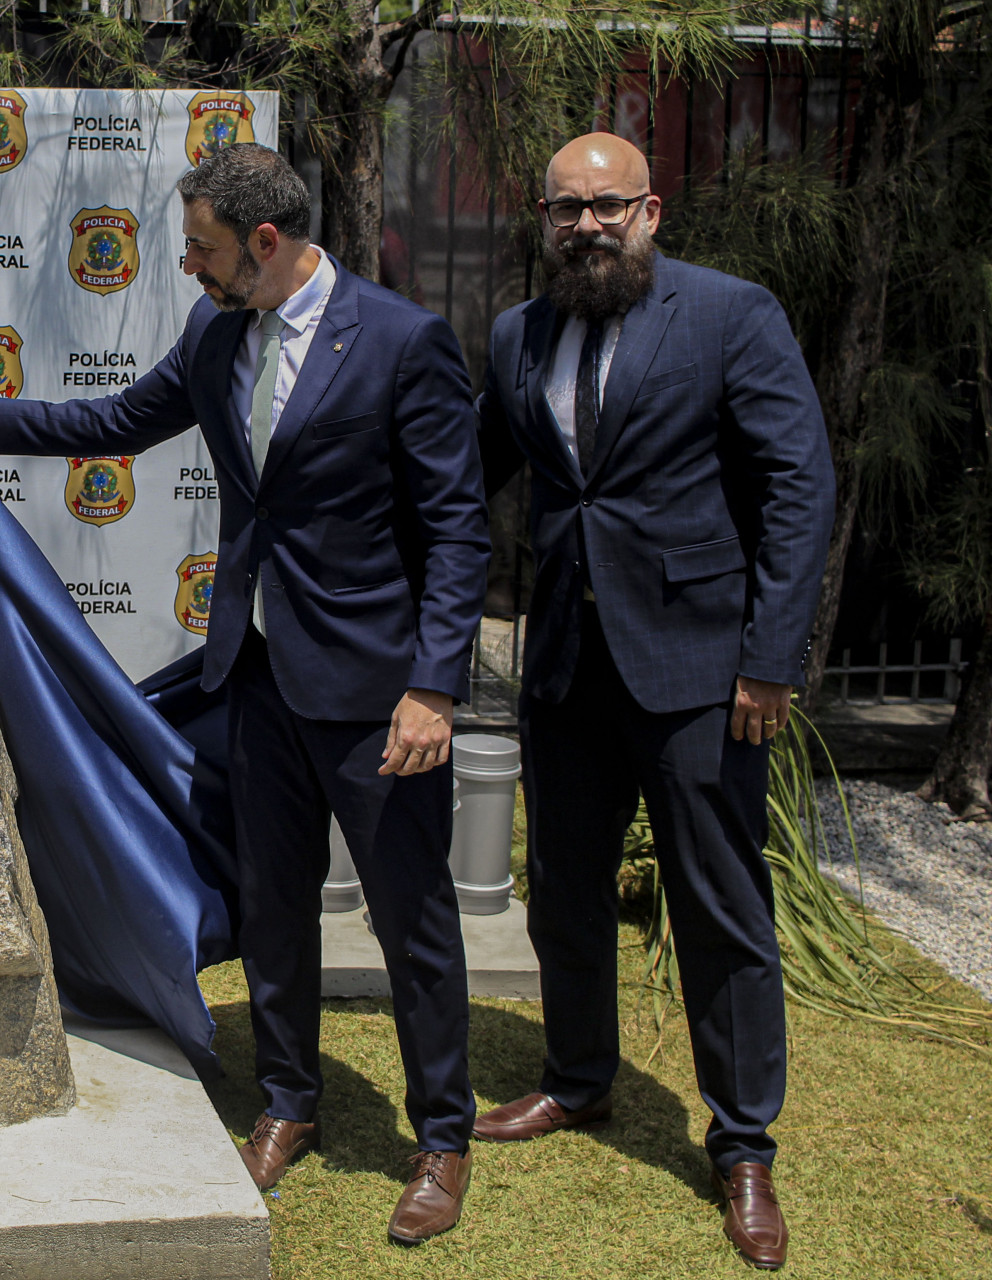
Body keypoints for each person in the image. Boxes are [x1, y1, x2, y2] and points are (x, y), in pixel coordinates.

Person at [0, 143, 491, 1245]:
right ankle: (288, 1100)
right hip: (258, 676)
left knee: (413, 915)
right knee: (274, 902)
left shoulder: (402, 341)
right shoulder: (214, 331)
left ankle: (442, 1136)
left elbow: (458, 529)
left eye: (202, 248)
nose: (188, 266)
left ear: (264, 242)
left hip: (378, 694)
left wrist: (433, 686)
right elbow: (122, 421)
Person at [472, 133, 834, 1271]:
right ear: (544, 217)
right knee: (563, 892)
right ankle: (578, 1078)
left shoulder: (730, 314)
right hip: (566, 666)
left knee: (721, 907)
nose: (587, 225)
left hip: (700, 671)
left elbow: (797, 484)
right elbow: (470, 475)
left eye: (608, 205)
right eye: (567, 208)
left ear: (651, 211)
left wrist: (770, 659)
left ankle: (744, 1145)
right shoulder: (520, 333)